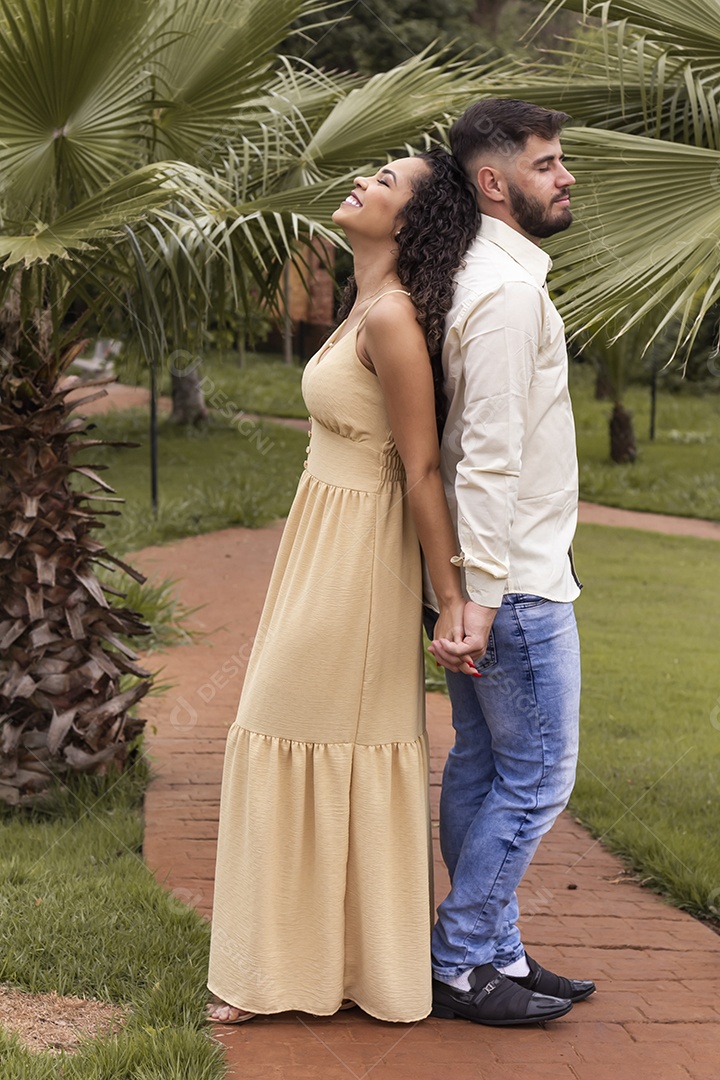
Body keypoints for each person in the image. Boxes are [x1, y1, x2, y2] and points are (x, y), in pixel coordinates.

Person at [207, 148, 484, 1025]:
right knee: (287, 732)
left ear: (412, 220)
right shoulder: (363, 304)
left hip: (361, 560)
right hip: (319, 541)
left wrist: (451, 601)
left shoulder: (393, 318)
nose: (364, 180)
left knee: (295, 727)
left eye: (386, 181)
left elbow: (423, 469)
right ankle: (301, 967)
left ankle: (314, 971)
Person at [426, 99, 597, 1026]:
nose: (565, 177)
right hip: (514, 588)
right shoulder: (504, 295)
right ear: (493, 182)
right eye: (546, 164)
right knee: (536, 781)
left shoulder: (488, 276)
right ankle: (461, 962)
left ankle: (495, 951)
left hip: (496, 580)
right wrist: (484, 598)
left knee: (486, 767)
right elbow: (486, 459)